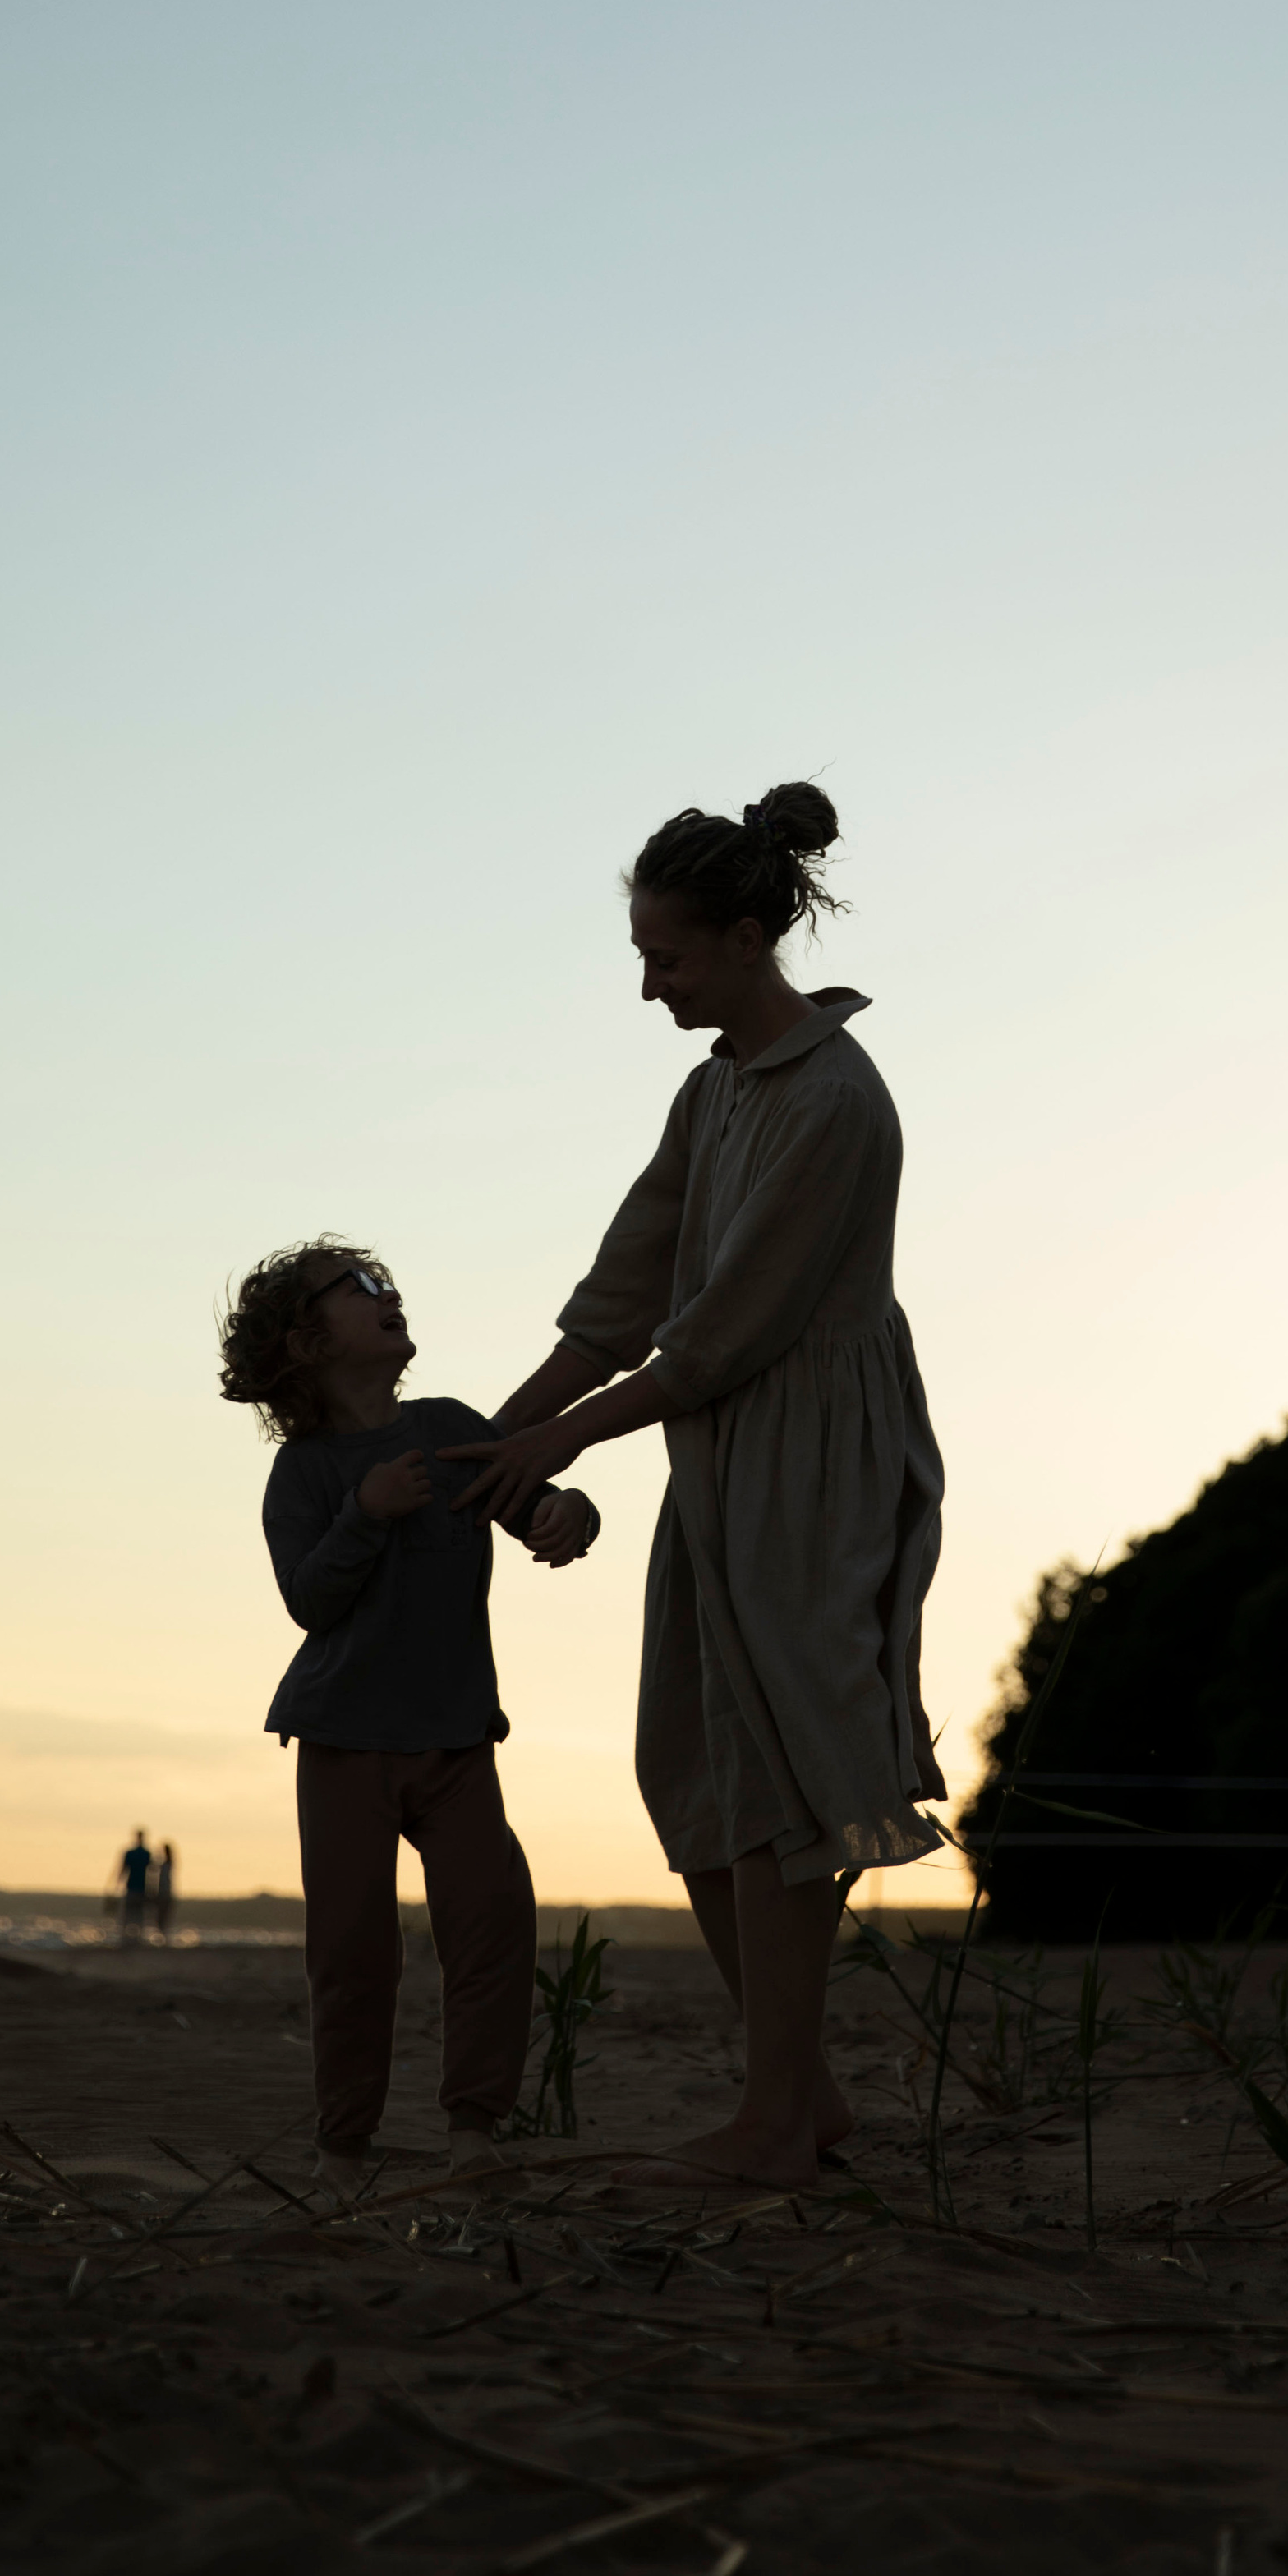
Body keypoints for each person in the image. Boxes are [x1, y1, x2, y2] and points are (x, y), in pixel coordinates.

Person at [441, 782, 945, 2191]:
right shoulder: (714, 1086)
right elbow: (630, 1288)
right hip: (711, 1451)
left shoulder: (836, 1100)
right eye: (641, 959)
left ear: (743, 936)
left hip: (812, 1457)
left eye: (667, 959)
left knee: (786, 1778)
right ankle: (801, 2098)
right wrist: (502, 1430)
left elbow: (726, 1332)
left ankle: (778, 2117)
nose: (651, 987)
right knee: (699, 1766)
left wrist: (566, 1442)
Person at [218, 1239, 600, 2189]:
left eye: (388, 1284)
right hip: (344, 1742)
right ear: (306, 1344)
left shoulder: (447, 1427)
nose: (390, 1298)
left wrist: (570, 1517)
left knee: (494, 1922)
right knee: (352, 1952)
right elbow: (310, 1601)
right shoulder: (302, 1475)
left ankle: (474, 2132)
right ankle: (343, 2149)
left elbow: (538, 1501)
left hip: (459, 1738)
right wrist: (366, 1513)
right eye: (363, 1289)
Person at [112, 1828, 153, 1938]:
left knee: (128, 1913)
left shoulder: (131, 1853)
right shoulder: (146, 1854)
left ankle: (126, 1935)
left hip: (133, 1887)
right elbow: (152, 1872)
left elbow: (123, 1869)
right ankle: (138, 1935)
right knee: (139, 1914)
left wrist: (117, 1884)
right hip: (141, 1887)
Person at [154, 1842, 177, 1940]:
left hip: (164, 1893)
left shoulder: (167, 1864)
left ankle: (163, 1935)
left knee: (162, 1916)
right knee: (163, 1916)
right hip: (165, 1893)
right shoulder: (169, 1863)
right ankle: (164, 1935)